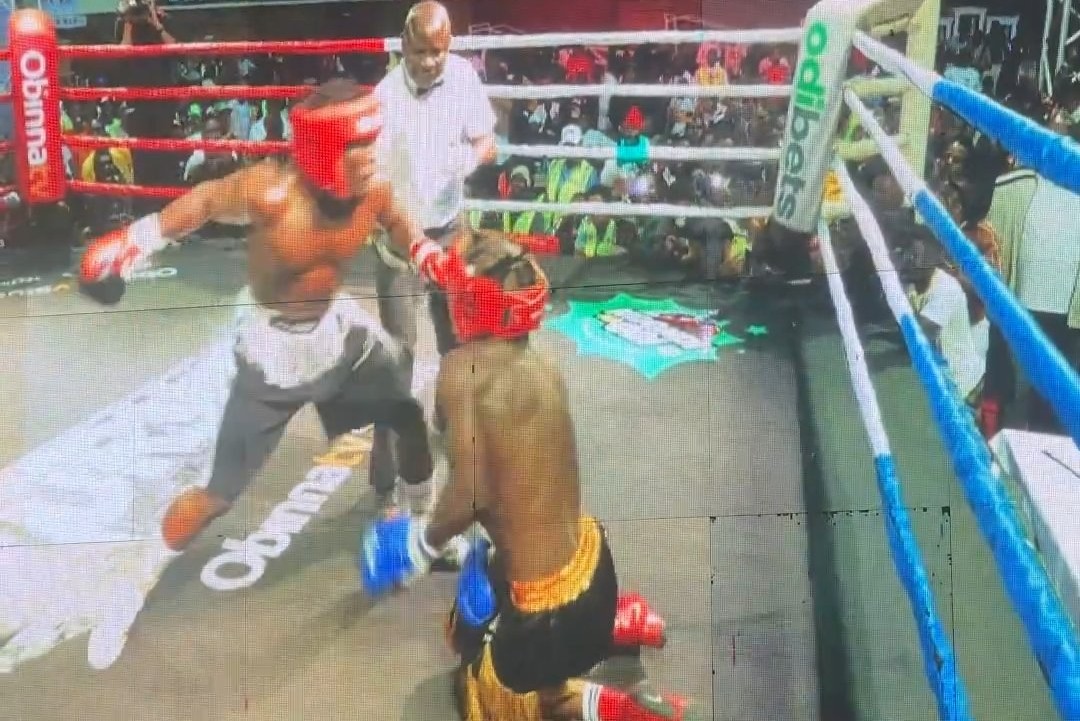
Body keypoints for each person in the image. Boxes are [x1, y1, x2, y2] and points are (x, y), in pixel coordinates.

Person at [79, 79, 447, 551]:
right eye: (359, 144)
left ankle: (425, 525)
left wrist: (424, 249)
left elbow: (396, 220)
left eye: (372, 140)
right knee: (218, 494)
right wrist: (137, 238)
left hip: (337, 331)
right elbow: (207, 200)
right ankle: (137, 564)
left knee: (408, 413)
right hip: (272, 351)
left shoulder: (373, 189)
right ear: (325, 148)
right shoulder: (271, 192)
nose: (372, 154)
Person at [360, 232, 692, 721]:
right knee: (475, 600)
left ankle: (623, 708)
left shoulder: (463, 370)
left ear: (470, 305)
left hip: (551, 619)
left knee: (480, 689)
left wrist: (418, 546)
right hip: (595, 568)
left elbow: (471, 492)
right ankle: (620, 620)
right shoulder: (543, 365)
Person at [369, 0, 498, 508]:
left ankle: (454, 447)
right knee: (395, 364)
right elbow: (374, 192)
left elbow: (488, 140)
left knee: (458, 349)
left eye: (438, 53)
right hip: (401, 245)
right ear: (404, 45)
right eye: (421, 52)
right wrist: (407, 240)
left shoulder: (463, 77)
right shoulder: (381, 100)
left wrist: (468, 156)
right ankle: (385, 480)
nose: (429, 62)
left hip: (450, 232)